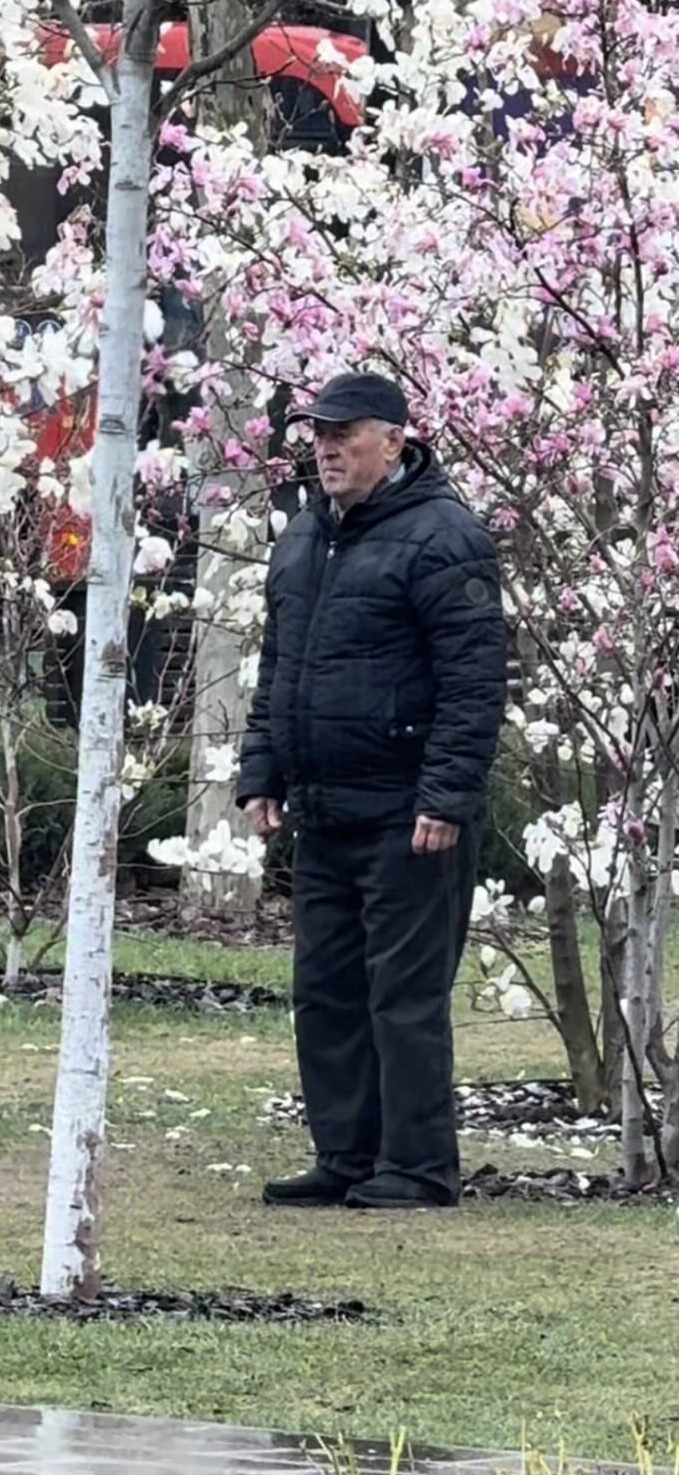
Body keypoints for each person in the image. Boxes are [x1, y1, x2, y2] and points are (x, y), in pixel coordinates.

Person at [237, 372, 507, 1212]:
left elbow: (475, 681)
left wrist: (446, 796)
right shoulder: (303, 537)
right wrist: (262, 771)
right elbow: (280, 664)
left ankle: (419, 1167)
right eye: (318, 432)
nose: (325, 447)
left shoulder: (444, 537)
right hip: (323, 807)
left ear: (394, 439)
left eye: (345, 432)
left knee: (403, 996)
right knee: (327, 991)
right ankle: (346, 1156)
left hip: (408, 812)